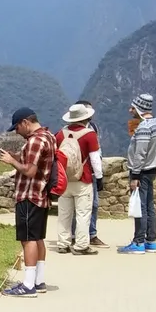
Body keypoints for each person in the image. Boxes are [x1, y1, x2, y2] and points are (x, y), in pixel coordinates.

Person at [0, 108, 54, 297]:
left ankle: (28, 285)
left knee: (28, 238)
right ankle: (39, 280)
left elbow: (29, 171)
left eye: (17, 127)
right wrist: (16, 156)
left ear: (25, 122)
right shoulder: (49, 136)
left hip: (29, 195)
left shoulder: (35, 141)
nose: (16, 132)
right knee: (37, 237)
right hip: (41, 196)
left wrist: (10, 162)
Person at [119, 93, 156, 254]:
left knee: (139, 207)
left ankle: (138, 242)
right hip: (151, 169)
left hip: (141, 172)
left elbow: (140, 153)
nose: (129, 110)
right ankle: (151, 241)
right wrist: (155, 154)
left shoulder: (143, 128)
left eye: (133, 107)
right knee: (149, 206)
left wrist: (135, 175)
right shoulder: (155, 124)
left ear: (139, 108)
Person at [55, 103, 103, 255]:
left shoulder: (60, 134)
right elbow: (95, 159)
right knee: (83, 213)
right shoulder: (89, 134)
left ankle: (63, 243)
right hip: (83, 179)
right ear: (86, 117)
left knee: (64, 213)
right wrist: (99, 177)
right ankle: (81, 245)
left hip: (64, 179)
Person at [69, 100, 107, 248]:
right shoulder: (69, 131)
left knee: (94, 205)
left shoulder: (93, 129)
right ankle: (75, 236)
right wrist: (100, 175)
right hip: (77, 173)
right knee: (76, 206)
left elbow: (97, 151)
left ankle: (92, 234)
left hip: (89, 172)